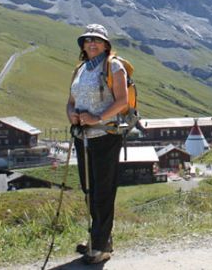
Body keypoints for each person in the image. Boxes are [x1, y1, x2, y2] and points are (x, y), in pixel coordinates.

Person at [66, 24, 129, 265]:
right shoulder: (80, 69)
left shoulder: (114, 67)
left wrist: (97, 117)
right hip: (83, 136)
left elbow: (122, 102)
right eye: (88, 40)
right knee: (89, 188)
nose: (92, 43)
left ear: (105, 45)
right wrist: (71, 113)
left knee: (103, 190)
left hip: (105, 135)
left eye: (97, 40)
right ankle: (99, 238)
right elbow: (71, 101)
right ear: (83, 45)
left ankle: (100, 247)